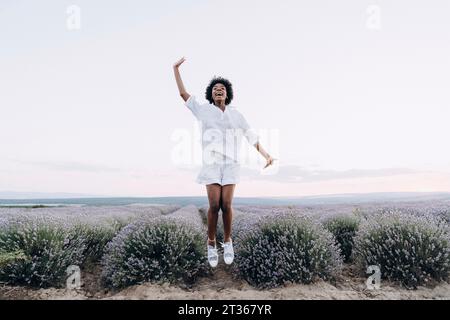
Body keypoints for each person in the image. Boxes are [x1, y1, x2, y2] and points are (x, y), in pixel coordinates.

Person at [173, 57, 275, 267]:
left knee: (226, 205)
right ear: (211, 94)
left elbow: (251, 136)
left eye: (222, 88)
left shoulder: (236, 115)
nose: (218, 90)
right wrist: (176, 69)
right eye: (215, 89)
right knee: (213, 205)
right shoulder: (203, 110)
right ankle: (211, 242)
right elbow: (183, 94)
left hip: (231, 164)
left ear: (227, 94)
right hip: (211, 164)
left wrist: (266, 155)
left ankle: (227, 241)